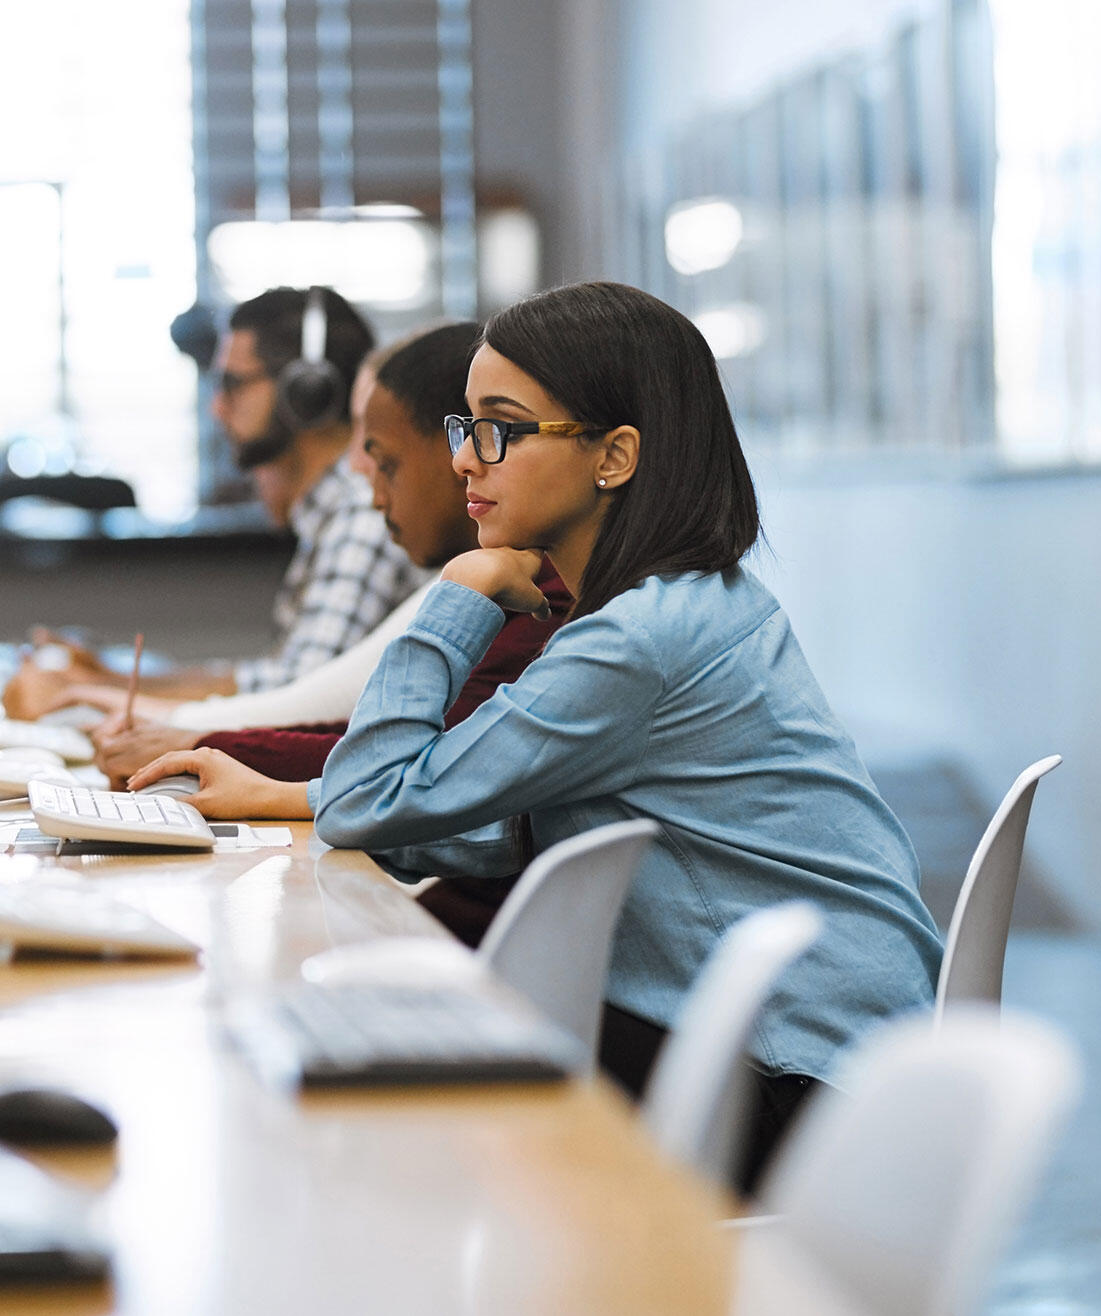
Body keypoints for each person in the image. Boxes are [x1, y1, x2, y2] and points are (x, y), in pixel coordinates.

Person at [131, 281, 943, 1191]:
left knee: (375, 1107)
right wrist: (297, 797)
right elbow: (506, 817)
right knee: (371, 1052)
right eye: (464, 427)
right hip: (824, 1049)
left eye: (501, 429)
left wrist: (459, 595)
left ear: (615, 456)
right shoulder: (673, 604)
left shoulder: (637, 640)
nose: (467, 462)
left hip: (794, 1079)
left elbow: (374, 801)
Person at [89, 322, 568, 796]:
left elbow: (406, 774)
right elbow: (386, 752)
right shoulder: (512, 578)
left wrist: (205, 748)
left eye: (499, 431)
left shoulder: (545, 602)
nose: (464, 458)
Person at [1, 287, 424, 716]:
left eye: (232, 384)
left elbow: (294, 701)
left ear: (305, 394)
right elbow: (273, 679)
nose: (217, 408)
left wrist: (91, 693)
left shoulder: (362, 516)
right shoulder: (332, 516)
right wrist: (107, 679)